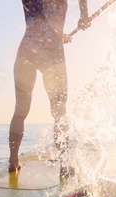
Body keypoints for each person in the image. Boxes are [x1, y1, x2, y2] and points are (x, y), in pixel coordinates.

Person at [8, 0, 90, 178]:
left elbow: (42, 18)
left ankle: (13, 161)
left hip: (26, 52)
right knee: (59, 113)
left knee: (20, 111)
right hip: (53, 55)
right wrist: (83, 16)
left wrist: (61, 35)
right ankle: (65, 164)